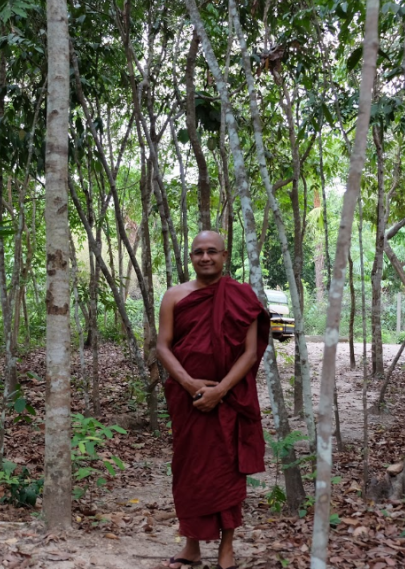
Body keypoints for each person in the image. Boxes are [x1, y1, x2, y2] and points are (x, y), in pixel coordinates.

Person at [154, 231, 269, 569]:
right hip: (189, 401)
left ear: (224, 255)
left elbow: (249, 353)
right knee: (190, 471)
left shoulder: (241, 296)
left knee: (228, 472)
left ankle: (226, 549)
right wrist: (190, 385)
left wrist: (220, 391)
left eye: (212, 252)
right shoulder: (174, 296)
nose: (205, 257)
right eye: (198, 252)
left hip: (230, 398)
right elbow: (163, 345)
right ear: (191, 257)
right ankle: (191, 545)